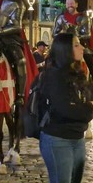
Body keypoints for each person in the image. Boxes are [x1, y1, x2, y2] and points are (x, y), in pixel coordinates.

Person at [39, 33, 93, 183]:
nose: (82, 47)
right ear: (64, 50)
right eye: (76, 45)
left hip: (77, 137)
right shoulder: (54, 75)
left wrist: (89, 58)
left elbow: (90, 93)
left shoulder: (76, 72)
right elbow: (65, 109)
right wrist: (89, 110)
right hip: (58, 139)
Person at [52, 0, 93, 78]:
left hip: (80, 44)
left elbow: (87, 34)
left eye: (72, 3)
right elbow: (55, 33)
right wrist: (64, 35)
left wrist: (74, 35)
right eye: (68, 3)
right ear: (66, 5)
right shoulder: (60, 18)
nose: (70, 5)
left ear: (76, 4)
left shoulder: (84, 17)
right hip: (64, 46)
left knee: (89, 59)